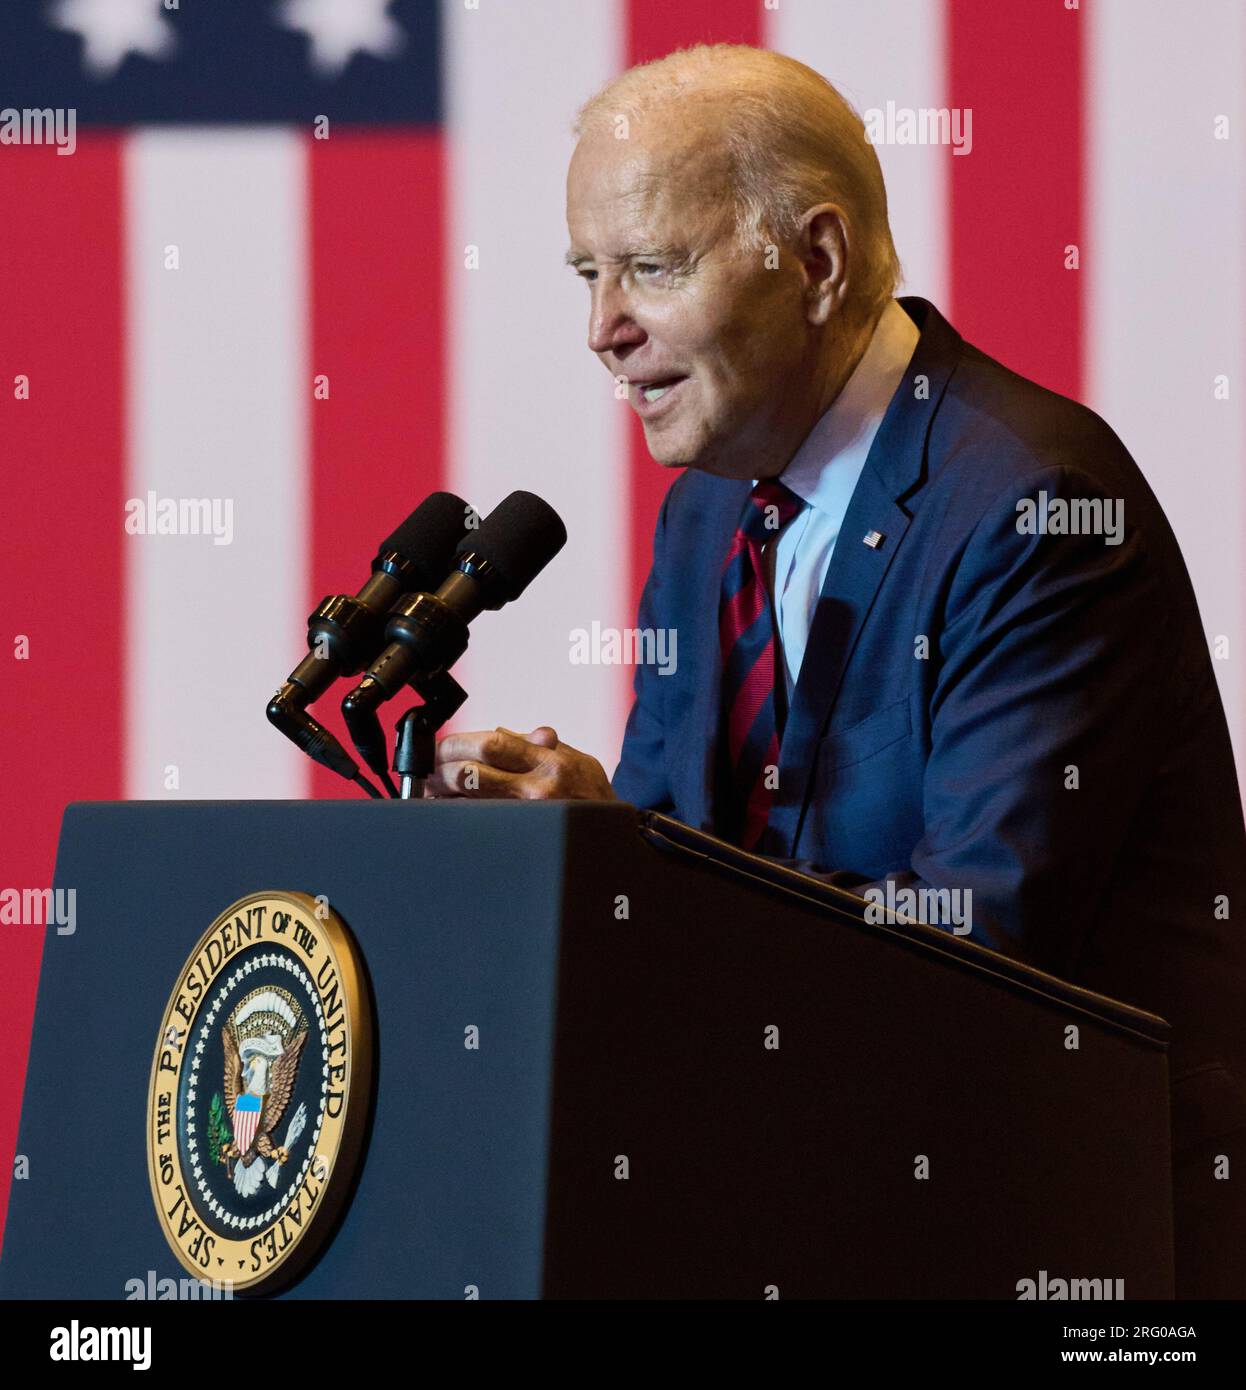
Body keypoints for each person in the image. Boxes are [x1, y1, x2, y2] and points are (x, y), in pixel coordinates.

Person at [426, 43, 1246, 1299]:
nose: (603, 329)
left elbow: (975, 949)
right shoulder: (709, 508)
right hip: (809, 1211)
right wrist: (577, 849)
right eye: (588, 274)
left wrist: (635, 858)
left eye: (650, 266)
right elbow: (678, 865)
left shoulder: (1038, 506)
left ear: (816, 262)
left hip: (1062, 1249)